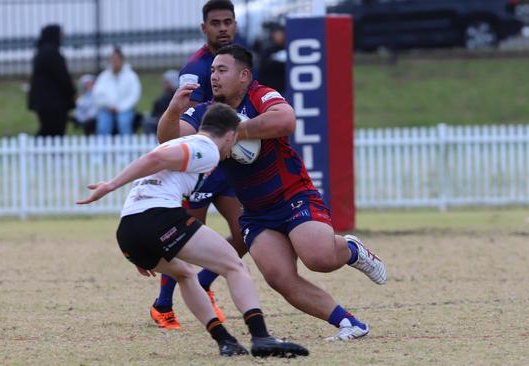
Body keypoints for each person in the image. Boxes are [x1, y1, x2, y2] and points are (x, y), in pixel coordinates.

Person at [158, 44, 387, 341]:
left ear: (244, 76)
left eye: (222, 70)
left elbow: (285, 120)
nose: (213, 76)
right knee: (279, 278)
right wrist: (174, 110)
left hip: (293, 196)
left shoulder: (260, 95)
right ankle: (349, 323)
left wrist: (237, 131)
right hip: (255, 212)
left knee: (318, 258)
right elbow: (167, 139)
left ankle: (352, 250)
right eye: (212, 70)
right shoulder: (205, 112)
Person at [76, 103, 309, 358]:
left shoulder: (186, 141)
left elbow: (156, 169)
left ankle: (225, 341)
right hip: (158, 217)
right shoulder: (206, 148)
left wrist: (144, 244)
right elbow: (156, 159)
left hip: (129, 230)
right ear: (231, 135)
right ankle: (261, 337)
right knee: (234, 266)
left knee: (185, 274)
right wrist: (110, 185)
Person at [149, 0, 245, 330]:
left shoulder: (239, 62)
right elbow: (185, 121)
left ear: (235, 24)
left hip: (229, 167)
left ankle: (203, 284)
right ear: (203, 28)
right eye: (215, 22)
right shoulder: (195, 69)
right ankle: (162, 306)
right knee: (185, 242)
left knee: (246, 234)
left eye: (227, 21)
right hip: (202, 170)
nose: (223, 28)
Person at [27, 24, 76, 137]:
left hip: (44, 102)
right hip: (53, 103)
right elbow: (63, 77)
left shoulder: (42, 52)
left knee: (48, 130)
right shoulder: (51, 53)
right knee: (53, 130)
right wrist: (72, 92)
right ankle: (34, 150)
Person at [93, 46, 142, 136]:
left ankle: (127, 149)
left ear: (122, 60)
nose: (114, 62)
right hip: (107, 109)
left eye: (116, 59)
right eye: (112, 59)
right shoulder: (104, 76)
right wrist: (108, 106)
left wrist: (120, 108)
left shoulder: (131, 76)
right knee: (103, 126)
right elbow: (97, 95)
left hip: (125, 109)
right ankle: (102, 150)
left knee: (123, 123)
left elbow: (134, 96)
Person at [141, 69, 179, 135]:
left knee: (148, 123)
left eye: (166, 82)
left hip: (170, 121)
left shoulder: (176, 96)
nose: (164, 84)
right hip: (161, 119)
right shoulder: (165, 96)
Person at [257, 23, 286, 94]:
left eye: (281, 34)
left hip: (284, 87)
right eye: (277, 34)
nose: (280, 37)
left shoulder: (290, 48)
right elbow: (264, 67)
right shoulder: (268, 50)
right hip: (271, 88)